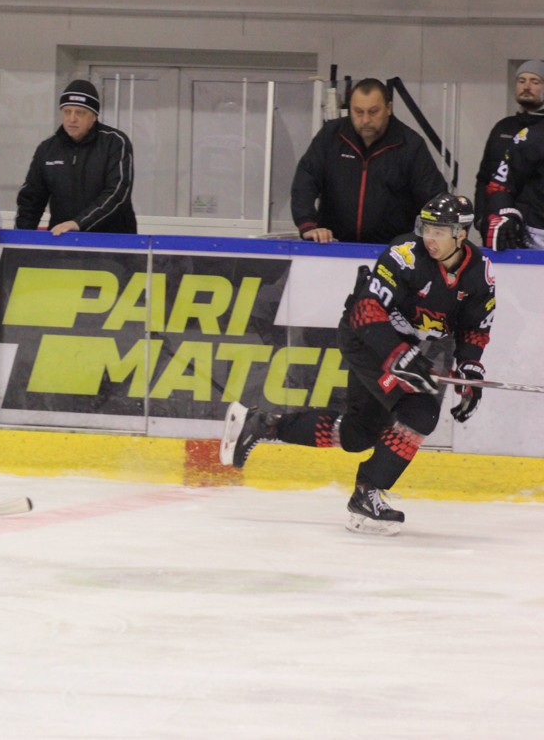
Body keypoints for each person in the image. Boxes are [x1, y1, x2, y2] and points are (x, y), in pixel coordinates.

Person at [219, 194, 495, 535]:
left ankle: (264, 424)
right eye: (427, 229)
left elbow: (475, 328)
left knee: (358, 433)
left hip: (399, 344)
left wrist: (470, 369)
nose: (429, 238)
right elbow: (367, 309)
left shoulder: (480, 274)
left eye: (439, 232)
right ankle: (368, 492)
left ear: (461, 234)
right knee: (421, 411)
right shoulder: (405, 255)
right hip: (365, 337)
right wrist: (398, 356)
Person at [291, 78, 447, 244]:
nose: (365, 120)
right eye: (358, 112)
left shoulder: (410, 145)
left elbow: (434, 198)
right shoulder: (331, 136)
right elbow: (306, 180)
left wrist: (433, 240)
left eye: (373, 112)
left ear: (388, 108)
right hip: (333, 246)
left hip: (393, 251)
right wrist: (307, 224)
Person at [14, 78, 137, 235]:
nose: (72, 119)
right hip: (62, 240)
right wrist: (19, 239)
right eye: (67, 111)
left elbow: (117, 193)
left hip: (112, 241)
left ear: (94, 116)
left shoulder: (115, 142)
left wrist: (79, 223)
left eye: (80, 112)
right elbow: (31, 200)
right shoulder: (47, 149)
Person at [474, 60, 544, 245]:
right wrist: (482, 218)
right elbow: (486, 178)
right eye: (522, 80)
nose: (527, 86)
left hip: (534, 224)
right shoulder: (503, 128)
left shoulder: (538, 133)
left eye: (535, 82)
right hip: (506, 223)